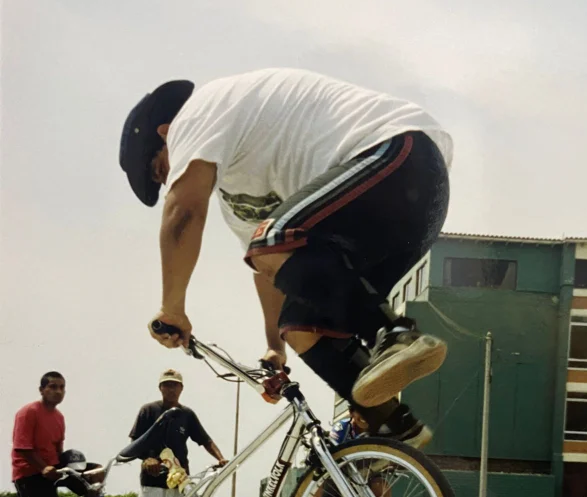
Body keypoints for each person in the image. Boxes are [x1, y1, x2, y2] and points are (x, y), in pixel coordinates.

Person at [119, 69, 452, 443]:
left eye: (160, 168)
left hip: (396, 153)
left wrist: (172, 307)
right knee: (300, 324)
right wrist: (275, 348)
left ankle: (394, 334)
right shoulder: (236, 196)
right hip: (398, 216)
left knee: (272, 239)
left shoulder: (196, 113)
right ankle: (394, 425)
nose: (168, 180)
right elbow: (268, 270)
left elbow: (183, 212)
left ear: (165, 132)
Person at [129, 368, 227, 497]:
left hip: (177, 480)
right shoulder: (148, 411)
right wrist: (147, 459)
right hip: (152, 480)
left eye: (175, 384)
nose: (171, 388)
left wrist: (220, 458)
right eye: (167, 384)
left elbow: (205, 439)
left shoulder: (187, 415)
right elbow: (135, 443)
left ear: (181, 388)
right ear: (160, 387)